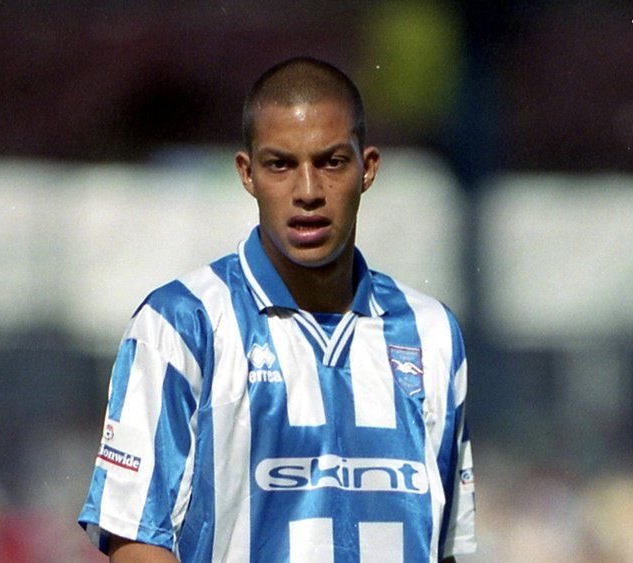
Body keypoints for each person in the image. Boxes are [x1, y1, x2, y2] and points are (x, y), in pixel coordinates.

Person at [77, 57, 476, 563]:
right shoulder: (181, 325)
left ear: (367, 168)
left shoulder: (433, 334)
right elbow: (135, 538)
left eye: (331, 162)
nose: (308, 192)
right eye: (280, 164)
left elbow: (446, 547)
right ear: (247, 173)